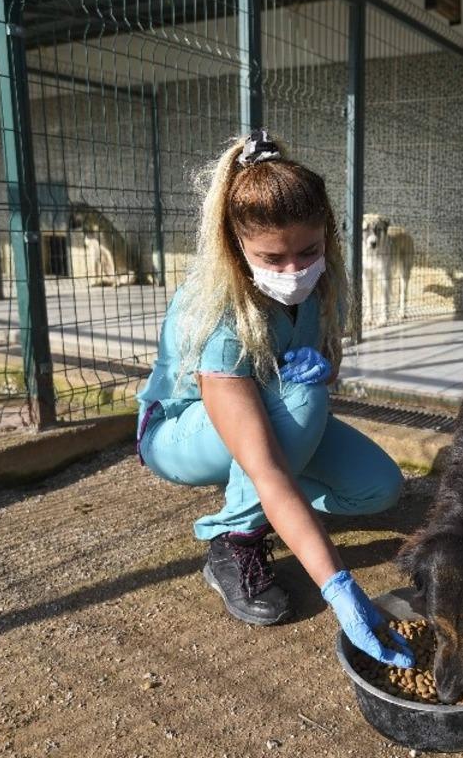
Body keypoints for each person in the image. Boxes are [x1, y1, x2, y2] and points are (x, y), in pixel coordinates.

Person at [136, 130, 413, 669]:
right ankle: (233, 540)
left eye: (308, 251)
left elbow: (323, 359)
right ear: (237, 245)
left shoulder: (325, 281)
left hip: (270, 418)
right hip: (179, 434)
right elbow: (266, 468)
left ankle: (280, 513)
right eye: (273, 257)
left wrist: (325, 367)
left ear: (327, 237)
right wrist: (339, 587)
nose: (294, 272)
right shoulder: (218, 311)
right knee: (300, 412)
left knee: (379, 488)